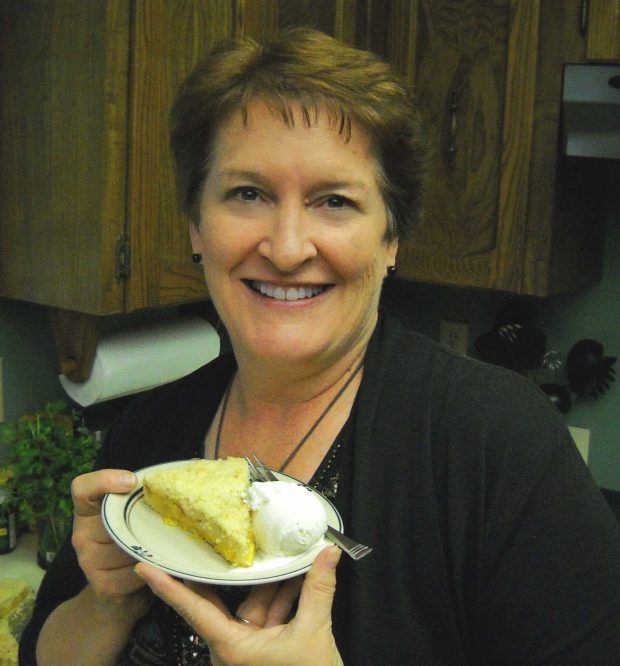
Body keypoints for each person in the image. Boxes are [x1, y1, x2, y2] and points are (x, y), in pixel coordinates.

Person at [21, 28, 620, 665]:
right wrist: (107, 603)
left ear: (391, 240)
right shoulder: (147, 438)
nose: (286, 248)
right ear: (196, 226)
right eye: (246, 194)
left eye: (334, 201)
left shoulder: (498, 445)